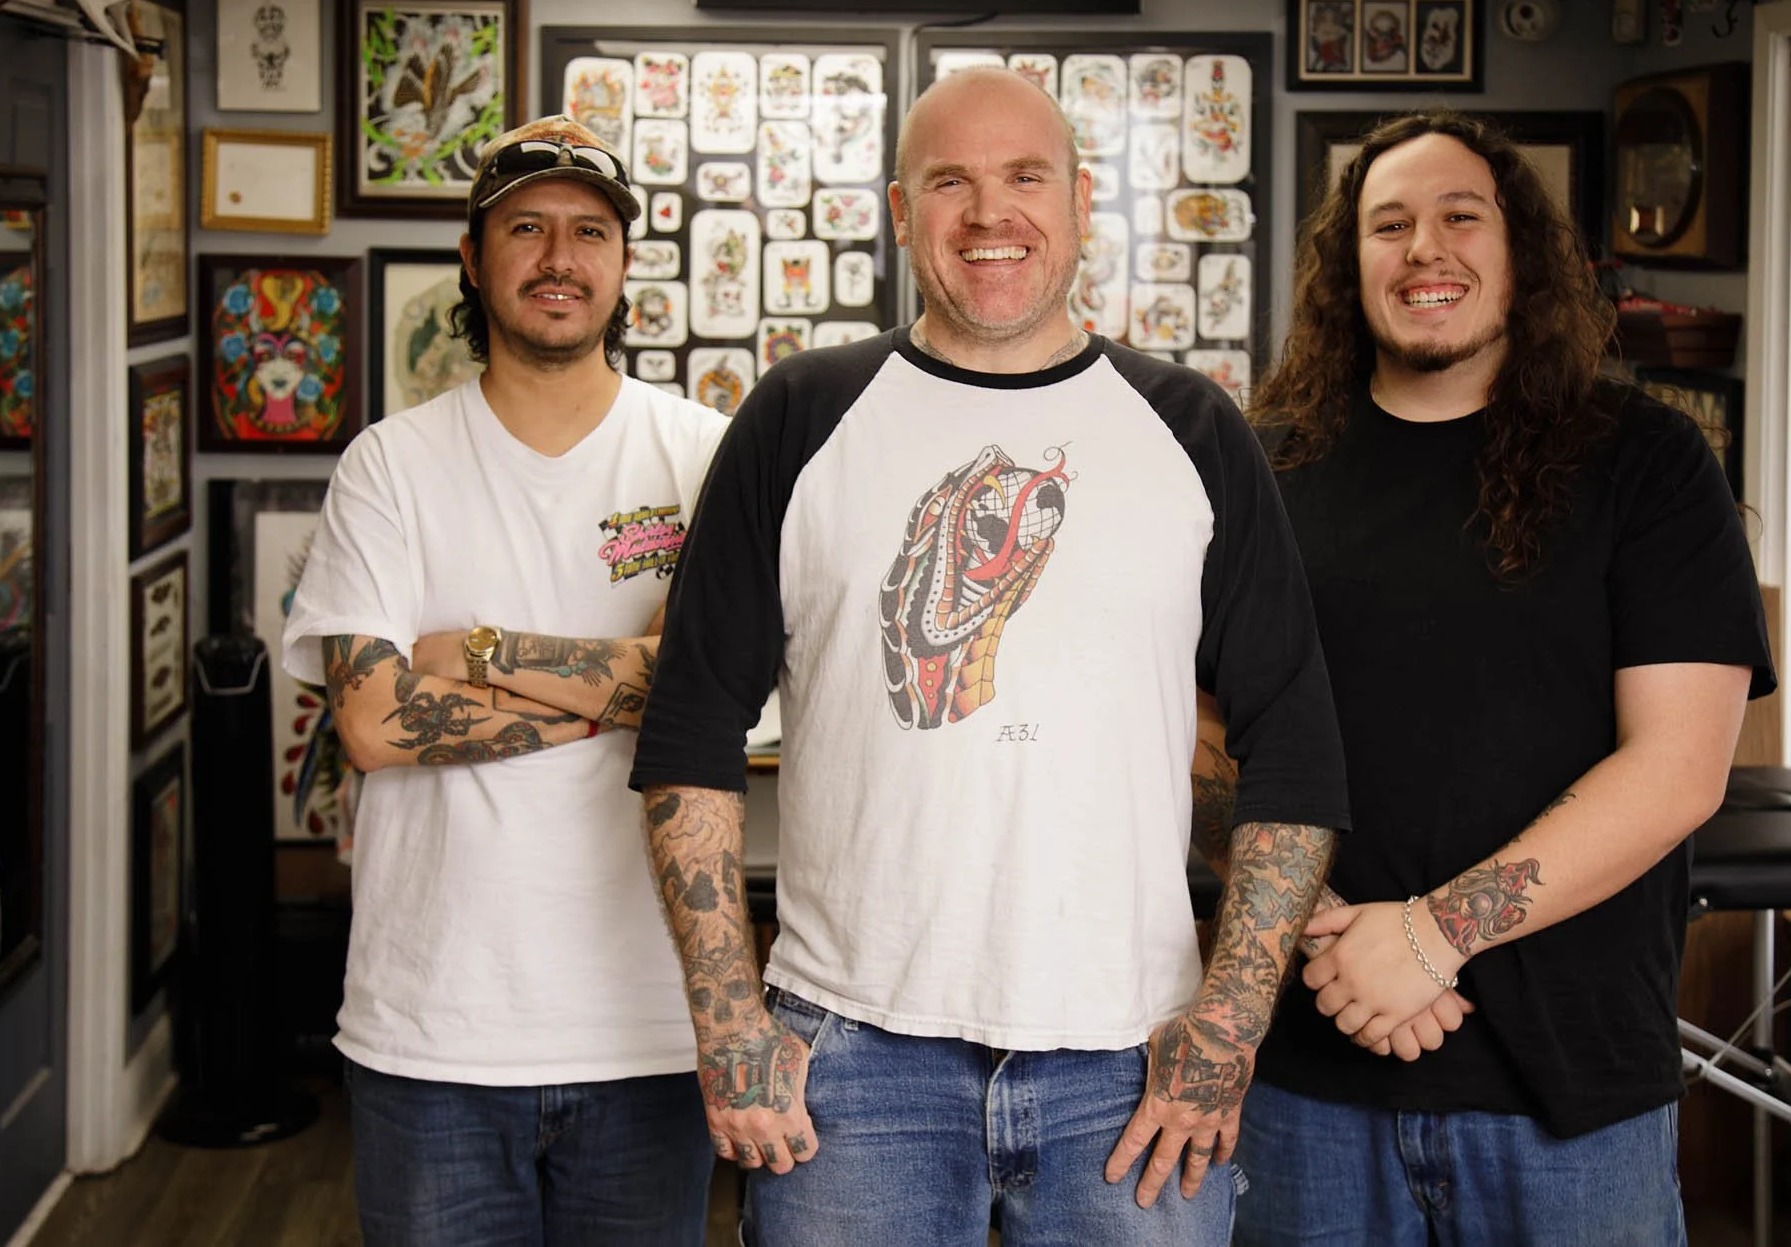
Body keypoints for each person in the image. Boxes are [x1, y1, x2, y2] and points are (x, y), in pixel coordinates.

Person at [630, 65, 1350, 1245]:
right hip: (850, 1060)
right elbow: (690, 733)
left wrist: (1225, 1028)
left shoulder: (1191, 430)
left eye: (1023, 176)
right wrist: (726, 1021)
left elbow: (1294, 748)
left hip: (1128, 1059)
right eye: (947, 182)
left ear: (1077, 201)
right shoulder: (799, 416)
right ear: (900, 211)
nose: (987, 213)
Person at [1230, 111, 1775, 1245]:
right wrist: (1319, 930)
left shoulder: (1648, 462)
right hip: (1306, 1079)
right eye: (1388, 224)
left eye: (1459, 216)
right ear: (1349, 264)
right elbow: (1194, 731)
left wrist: (1430, 937)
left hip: (1570, 1093)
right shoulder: (1265, 464)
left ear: (1520, 250)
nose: (1424, 248)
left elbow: (1678, 768)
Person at [280, 115, 729, 1246]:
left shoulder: (706, 456)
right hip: (432, 1026)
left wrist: (478, 652)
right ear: (473, 262)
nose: (559, 257)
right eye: (526, 228)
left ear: (624, 264)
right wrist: (622, 692)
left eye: (590, 231)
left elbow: (714, 696)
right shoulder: (390, 465)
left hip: (646, 1022)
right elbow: (374, 724)